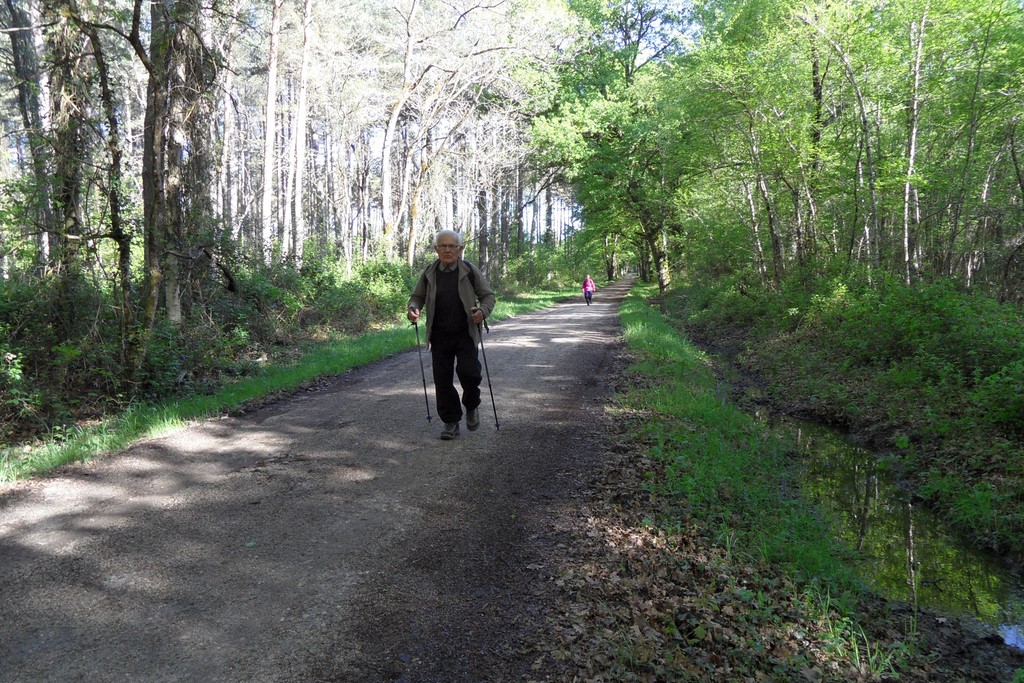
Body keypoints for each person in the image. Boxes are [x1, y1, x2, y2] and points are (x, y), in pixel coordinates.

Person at [408, 230, 496, 440]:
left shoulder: (469, 271)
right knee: (442, 381)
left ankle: (472, 405)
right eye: (443, 246)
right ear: (436, 249)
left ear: (460, 249)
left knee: (470, 374)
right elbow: (417, 297)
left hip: (466, 334)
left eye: (452, 246)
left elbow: (488, 296)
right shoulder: (429, 273)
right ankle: (450, 421)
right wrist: (413, 309)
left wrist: (482, 312)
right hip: (439, 336)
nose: (448, 250)